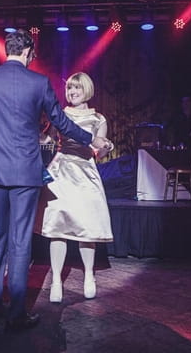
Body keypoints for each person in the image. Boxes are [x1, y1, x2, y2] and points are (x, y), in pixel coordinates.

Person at [0, 29, 111, 332]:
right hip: (25, 170)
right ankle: (16, 313)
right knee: (20, 239)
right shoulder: (39, 82)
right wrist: (90, 138)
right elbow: (61, 122)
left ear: (7, 50)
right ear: (27, 52)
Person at [37, 72, 114, 304]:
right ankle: (56, 281)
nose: (72, 93)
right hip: (61, 171)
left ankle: (89, 276)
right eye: (70, 89)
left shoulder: (99, 118)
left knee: (86, 228)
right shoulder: (60, 114)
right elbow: (47, 140)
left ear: (87, 90)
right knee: (57, 227)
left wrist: (106, 147)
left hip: (85, 174)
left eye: (76, 89)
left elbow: (99, 150)